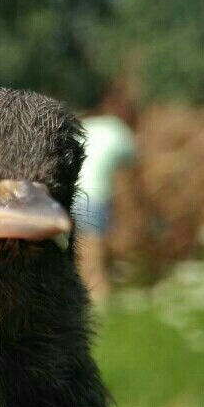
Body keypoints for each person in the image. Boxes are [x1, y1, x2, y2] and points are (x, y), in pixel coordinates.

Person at [75, 111, 136, 302]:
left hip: (65, 194)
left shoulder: (82, 126)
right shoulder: (119, 130)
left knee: (79, 250)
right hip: (92, 196)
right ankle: (98, 299)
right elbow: (133, 166)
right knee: (92, 251)